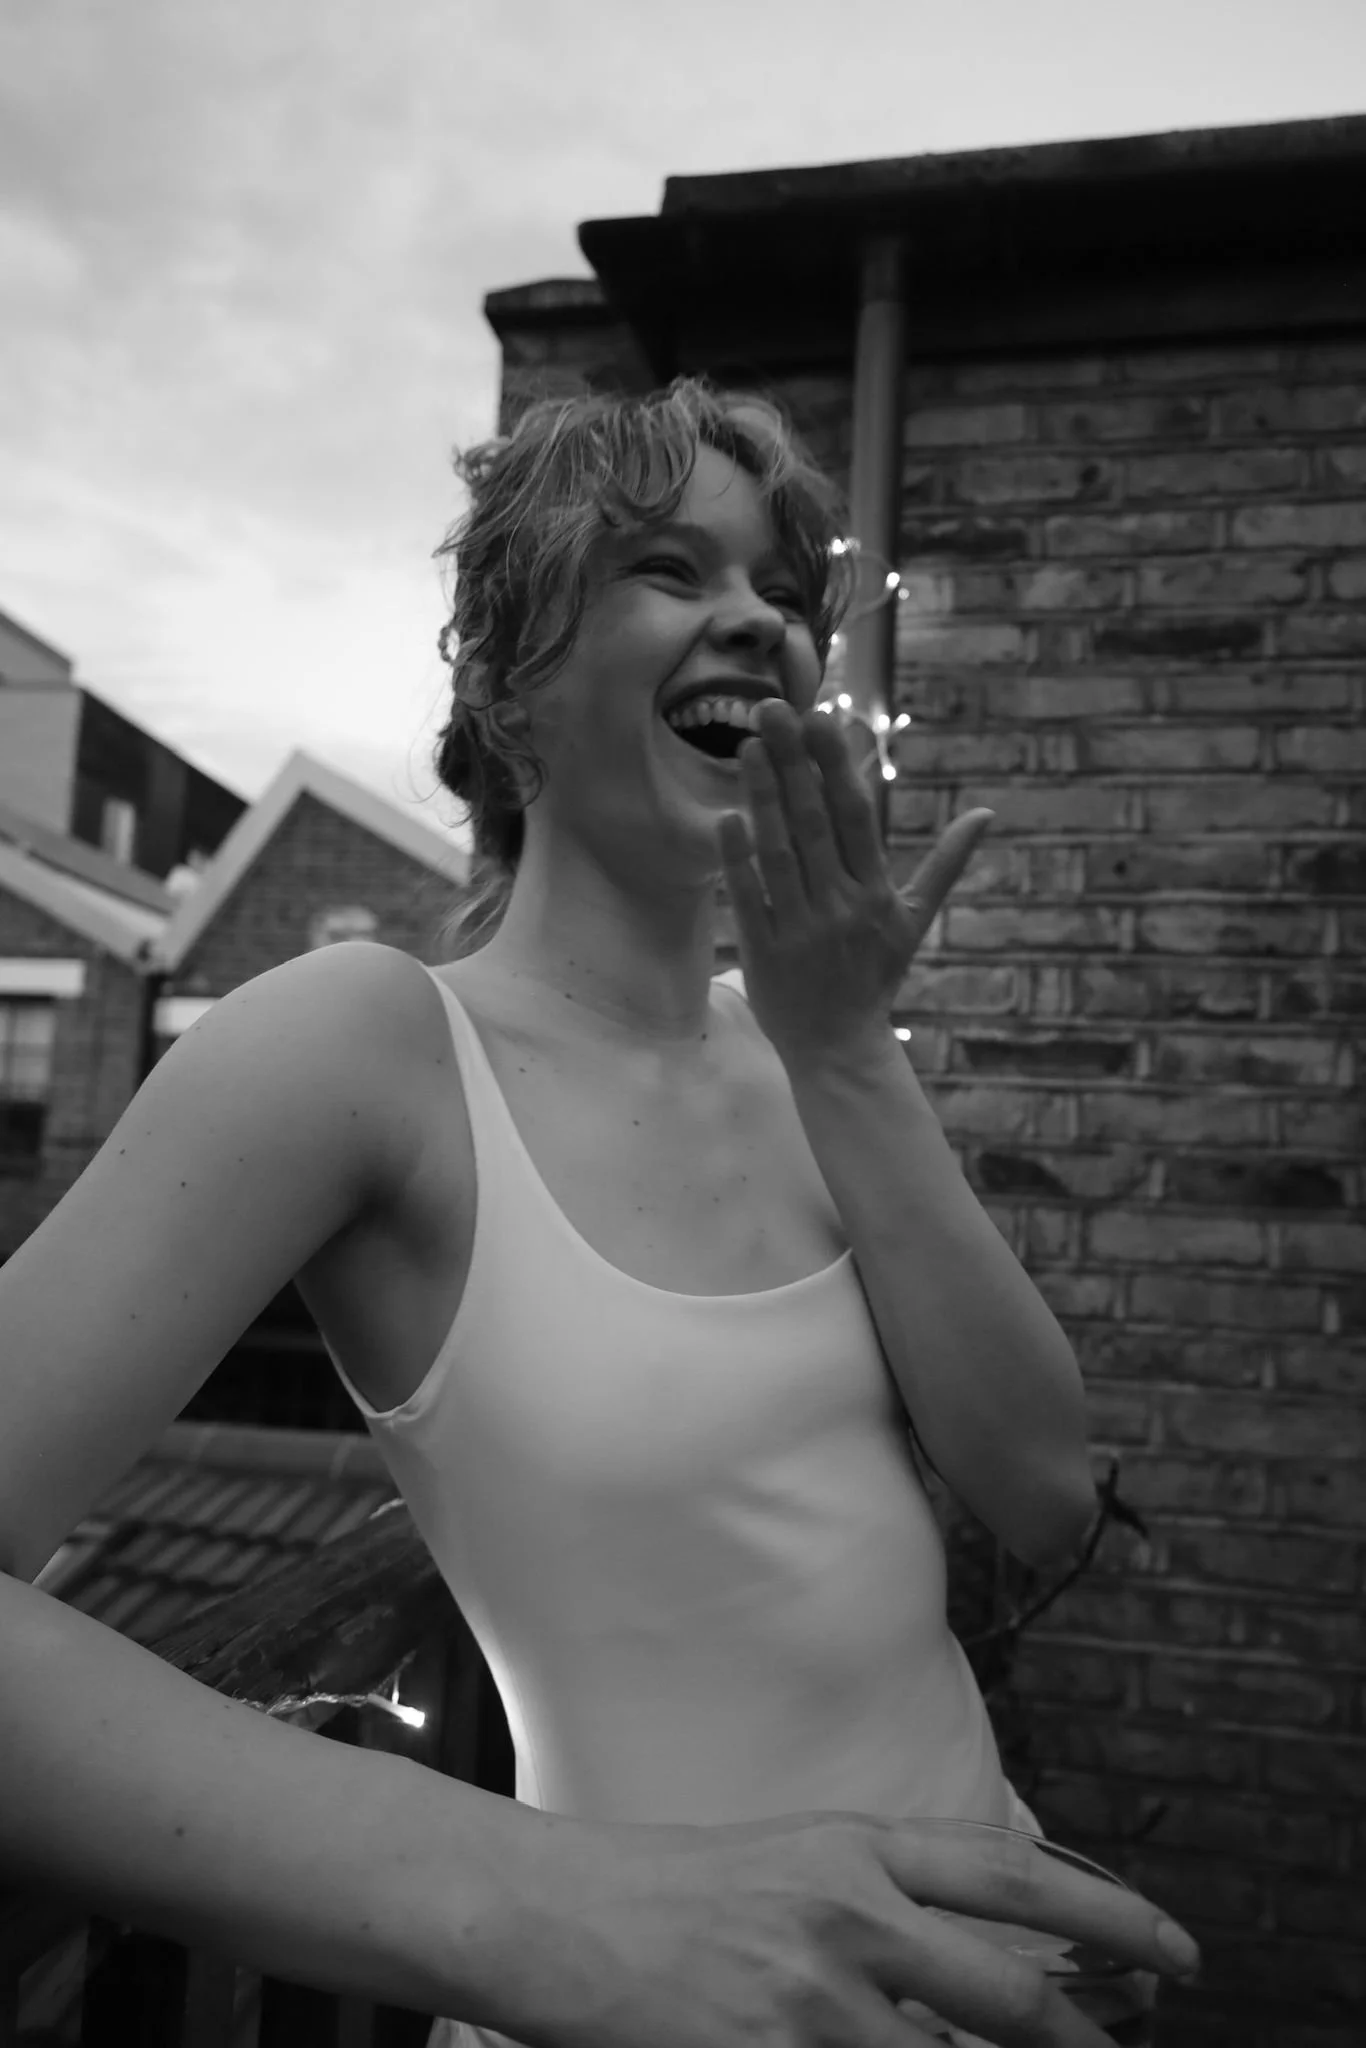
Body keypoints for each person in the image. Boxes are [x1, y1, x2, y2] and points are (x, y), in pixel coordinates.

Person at [0, 377, 1200, 2048]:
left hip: (985, 1966)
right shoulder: (369, 1045)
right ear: (508, 691)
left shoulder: (811, 1056)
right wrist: (529, 1906)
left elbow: (1042, 1491)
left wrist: (845, 1048)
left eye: (781, 594)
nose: (752, 623)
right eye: (664, 569)